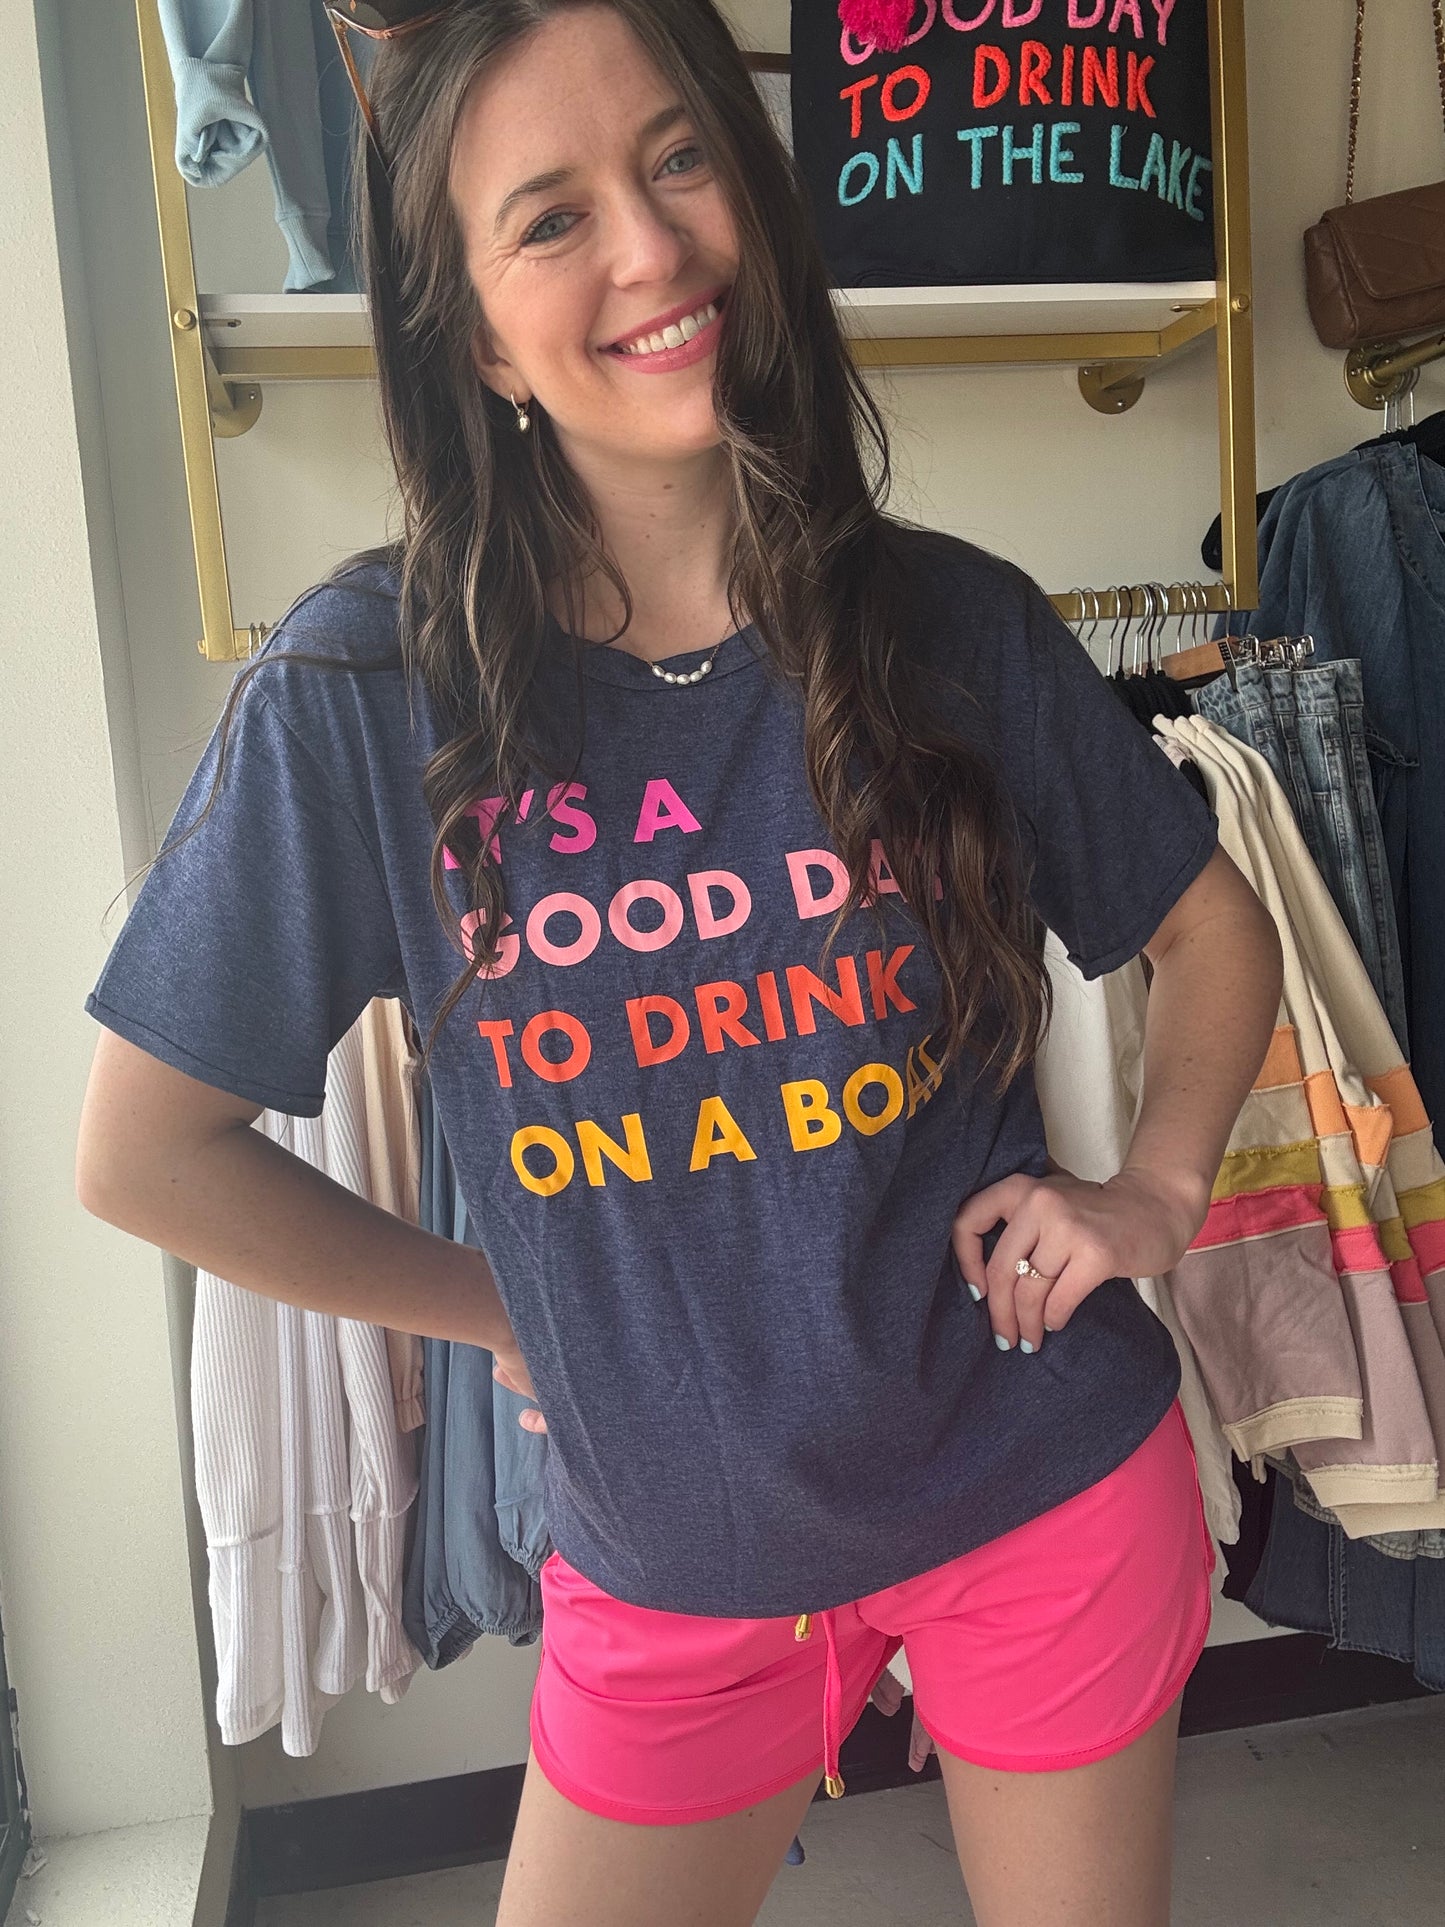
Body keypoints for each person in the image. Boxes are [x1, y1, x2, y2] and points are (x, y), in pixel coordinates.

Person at [77, 2, 1283, 1921]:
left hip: (1038, 1482)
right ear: (478, 336)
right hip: (668, 1567)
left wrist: (1152, 1185)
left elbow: (1211, 926)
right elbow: (145, 1152)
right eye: (550, 218)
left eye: (681, 159)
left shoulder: (952, 624)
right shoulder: (362, 691)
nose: (649, 249)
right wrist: (505, 1309)